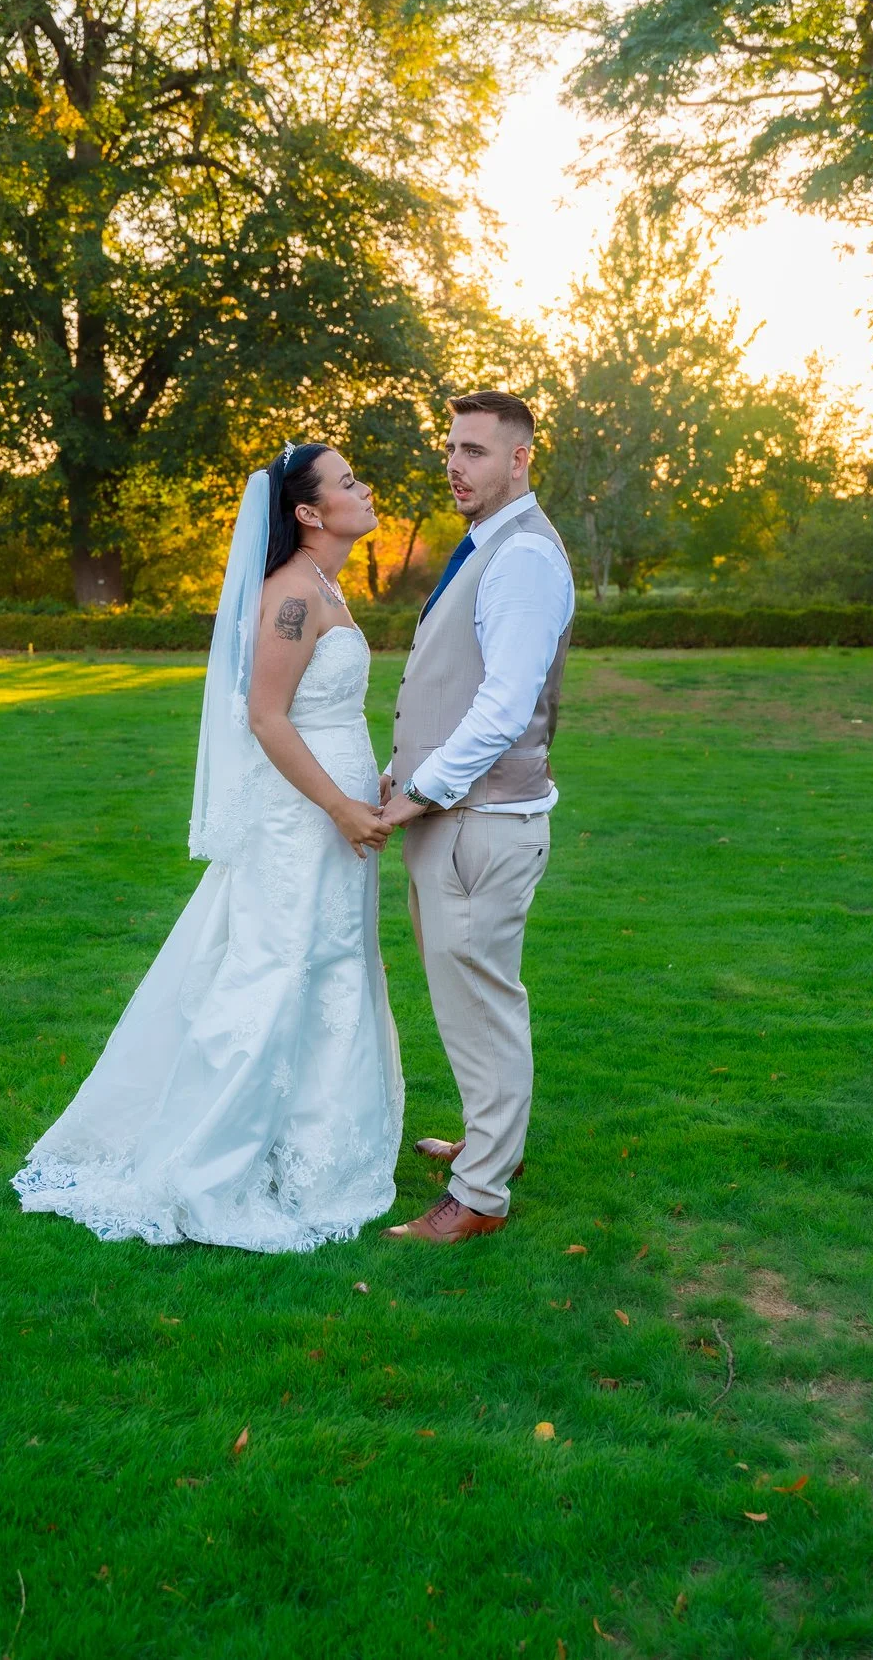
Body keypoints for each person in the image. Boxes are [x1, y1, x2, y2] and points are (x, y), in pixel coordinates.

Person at [10, 444, 405, 1252]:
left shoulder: (328, 587)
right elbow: (266, 717)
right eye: (347, 482)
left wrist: (377, 782)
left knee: (331, 966)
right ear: (306, 511)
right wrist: (338, 807)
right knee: (278, 968)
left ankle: (312, 1156)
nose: (364, 491)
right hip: (302, 821)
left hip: (336, 815)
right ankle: (208, 1164)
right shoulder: (291, 594)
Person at [377, 391, 574, 1243]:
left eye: (477, 451)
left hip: (478, 822)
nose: (456, 465)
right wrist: (398, 774)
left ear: (522, 458)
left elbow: (501, 708)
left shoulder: (523, 557)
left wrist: (420, 792)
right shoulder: (488, 547)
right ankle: (491, 1143)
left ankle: (481, 1197)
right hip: (454, 818)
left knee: (483, 1002)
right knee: (469, 999)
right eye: (452, 448)